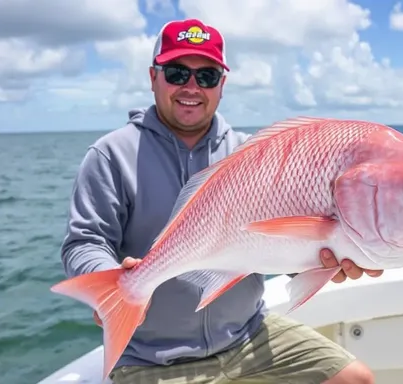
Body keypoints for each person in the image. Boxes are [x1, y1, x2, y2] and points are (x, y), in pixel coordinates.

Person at [60, 18, 383, 384]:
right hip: (153, 357)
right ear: (153, 78)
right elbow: (85, 243)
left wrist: (326, 259)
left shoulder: (253, 153)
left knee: (356, 379)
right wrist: (111, 282)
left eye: (207, 76)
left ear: (222, 85)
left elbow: (282, 240)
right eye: (177, 73)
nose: (192, 87)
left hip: (248, 335)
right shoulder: (111, 155)